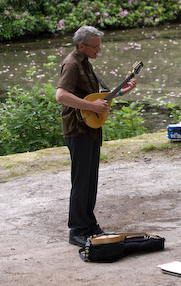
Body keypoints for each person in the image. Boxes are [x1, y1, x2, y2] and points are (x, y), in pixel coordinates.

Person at [55, 26, 137, 246]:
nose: (99, 49)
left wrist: (122, 91)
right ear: (81, 45)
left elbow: (98, 98)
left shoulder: (85, 63)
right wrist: (89, 105)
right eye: (95, 46)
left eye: (99, 45)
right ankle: (77, 230)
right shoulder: (71, 64)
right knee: (81, 181)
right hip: (77, 129)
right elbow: (61, 95)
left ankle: (89, 225)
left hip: (90, 128)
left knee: (90, 181)